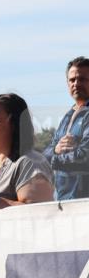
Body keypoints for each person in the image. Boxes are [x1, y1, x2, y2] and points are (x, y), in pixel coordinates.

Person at [43, 56, 89, 200]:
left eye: (82, 79)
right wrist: (56, 150)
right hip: (64, 202)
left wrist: (55, 160)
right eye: (72, 80)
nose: (76, 83)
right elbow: (48, 152)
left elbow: (85, 155)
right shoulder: (67, 116)